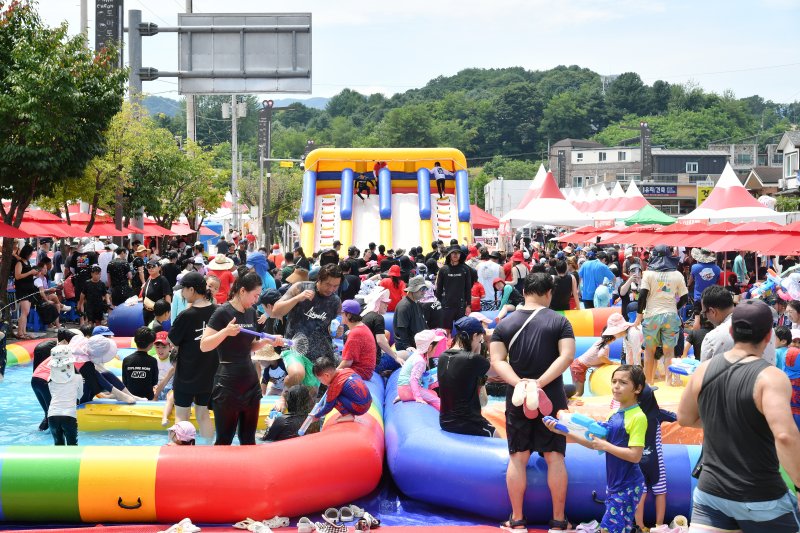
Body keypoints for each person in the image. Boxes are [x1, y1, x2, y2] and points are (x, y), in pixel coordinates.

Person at [677, 299, 800, 532]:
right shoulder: (770, 377)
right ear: (768, 336)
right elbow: (784, 436)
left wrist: (726, 421)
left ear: (732, 331)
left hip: (710, 494)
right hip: (761, 497)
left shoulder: (704, 369)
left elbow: (684, 418)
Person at [490, 272, 576, 532]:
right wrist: (540, 383)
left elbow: (497, 361)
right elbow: (567, 357)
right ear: (549, 292)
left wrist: (520, 384)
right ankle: (559, 521)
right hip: (551, 396)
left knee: (517, 458)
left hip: (518, 399)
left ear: (525, 291)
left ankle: (516, 520)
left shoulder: (504, 324)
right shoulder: (560, 321)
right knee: (555, 457)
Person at [544, 365, 647, 533]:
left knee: (608, 529)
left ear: (637, 388)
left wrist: (605, 445)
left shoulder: (638, 417)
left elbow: (635, 456)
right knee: (620, 529)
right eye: (614, 381)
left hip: (628, 485)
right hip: (615, 483)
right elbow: (594, 444)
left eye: (623, 382)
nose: (616, 386)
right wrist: (563, 431)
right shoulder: (613, 414)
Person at [200, 272, 282, 445]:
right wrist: (225, 332)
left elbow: (249, 346)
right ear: (243, 291)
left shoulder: (251, 313)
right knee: (224, 439)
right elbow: (204, 345)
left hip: (250, 381)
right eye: (255, 295)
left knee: (248, 439)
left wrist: (266, 342)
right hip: (227, 382)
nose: (256, 300)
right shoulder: (222, 312)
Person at [271, 263, 343, 390]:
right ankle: (283, 396)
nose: (331, 289)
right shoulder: (301, 288)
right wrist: (297, 298)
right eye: (328, 284)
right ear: (319, 279)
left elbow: (333, 329)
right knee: (297, 374)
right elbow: (276, 311)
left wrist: (336, 332)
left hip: (319, 353)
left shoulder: (335, 301)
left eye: (335, 286)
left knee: (310, 400)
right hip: (294, 345)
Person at [168, 272, 217, 440]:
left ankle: (181, 453)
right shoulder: (216, 311)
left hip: (187, 371)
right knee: (203, 413)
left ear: (192, 290)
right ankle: (209, 450)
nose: (182, 294)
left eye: (183, 290)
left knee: (182, 414)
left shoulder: (186, 315)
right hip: (209, 372)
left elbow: (172, 340)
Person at [633, 245, 688, 386]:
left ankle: (648, 383)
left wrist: (639, 317)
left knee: (649, 351)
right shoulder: (677, 275)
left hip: (652, 315)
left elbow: (642, 297)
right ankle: (669, 383)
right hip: (670, 315)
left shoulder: (648, 274)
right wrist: (674, 308)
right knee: (669, 352)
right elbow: (685, 298)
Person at [438, 316, 495, 437]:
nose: (480, 343)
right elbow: (499, 371)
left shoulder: (442, 356)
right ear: (474, 336)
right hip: (468, 424)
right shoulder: (472, 359)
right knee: (501, 442)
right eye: (480, 340)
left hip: (445, 422)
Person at [700, 285, 776, 365]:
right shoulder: (768, 328)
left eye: (704, 313)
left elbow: (704, 374)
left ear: (712, 311)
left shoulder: (712, 337)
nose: (706, 317)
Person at [635, 384, 674, 530]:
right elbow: (677, 418)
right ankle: (659, 525)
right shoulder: (658, 414)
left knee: (641, 493)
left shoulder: (632, 414)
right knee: (661, 492)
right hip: (655, 461)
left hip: (637, 461)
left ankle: (640, 525)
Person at [570, 313, 636, 397]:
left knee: (578, 391)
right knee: (579, 393)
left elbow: (595, 358)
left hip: (577, 365)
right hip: (578, 367)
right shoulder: (605, 346)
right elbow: (601, 356)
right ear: (613, 338)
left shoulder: (601, 341)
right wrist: (611, 363)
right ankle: (568, 405)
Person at [312, 357, 373, 423]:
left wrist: (316, 416)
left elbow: (328, 407)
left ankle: (347, 415)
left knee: (333, 398)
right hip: (368, 402)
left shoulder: (335, 385)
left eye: (320, 379)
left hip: (360, 408)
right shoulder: (347, 370)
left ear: (326, 375)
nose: (321, 382)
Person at [396, 330, 446, 411]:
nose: (436, 350)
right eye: (435, 348)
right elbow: (413, 379)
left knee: (434, 393)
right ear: (429, 348)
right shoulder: (420, 361)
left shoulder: (418, 354)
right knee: (437, 400)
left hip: (404, 389)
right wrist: (418, 397)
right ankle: (446, 419)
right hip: (408, 390)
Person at [47, 346, 84, 446]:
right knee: (72, 446)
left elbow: (52, 394)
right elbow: (80, 395)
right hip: (69, 415)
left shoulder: (50, 378)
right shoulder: (78, 377)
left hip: (52, 415)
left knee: (58, 445)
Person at [435, 245, 472, 333]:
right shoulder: (443, 270)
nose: (456, 255)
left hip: (461, 306)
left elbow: (468, 289)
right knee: (446, 331)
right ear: (449, 255)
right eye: (453, 253)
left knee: (461, 331)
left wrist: (468, 305)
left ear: (460, 255)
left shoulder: (465, 269)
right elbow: (438, 289)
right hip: (446, 306)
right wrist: (437, 304)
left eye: (458, 253)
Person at [338, 299, 377, 381]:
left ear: (348, 315)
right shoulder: (362, 327)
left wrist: (334, 373)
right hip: (364, 371)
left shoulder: (356, 333)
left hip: (359, 373)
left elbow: (347, 362)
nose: (340, 315)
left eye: (342, 313)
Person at [122, 327, 160, 401]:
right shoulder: (152, 361)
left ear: (135, 341)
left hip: (131, 398)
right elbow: (154, 381)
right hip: (147, 399)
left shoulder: (126, 360)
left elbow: (125, 382)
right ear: (151, 345)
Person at [393, 276, 429, 351]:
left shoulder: (417, 304)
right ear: (413, 290)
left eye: (425, 289)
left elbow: (423, 324)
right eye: (422, 289)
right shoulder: (404, 306)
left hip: (418, 344)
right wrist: (407, 346)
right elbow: (401, 329)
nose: (424, 292)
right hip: (408, 348)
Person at [689, 248, 721, 329]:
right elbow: (717, 281)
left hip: (698, 297)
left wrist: (688, 285)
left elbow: (690, 281)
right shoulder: (717, 268)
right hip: (711, 296)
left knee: (697, 318)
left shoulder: (695, 267)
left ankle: (695, 337)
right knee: (711, 318)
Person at [13, 244, 38, 339]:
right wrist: (30, 272)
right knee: (25, 311)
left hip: (29, 289)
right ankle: (20, 333)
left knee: (26, 312)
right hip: (22, 290)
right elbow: (17, 276)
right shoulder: (19, 263)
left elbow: (28, 274)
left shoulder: (27, 262)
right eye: (30, 253)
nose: (31, 255)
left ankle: (24, 331)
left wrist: (34, 273)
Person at [152, 331, 176, 426]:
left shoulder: (174, 359)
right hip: (158, 387)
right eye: (157, 347)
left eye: (164, 347)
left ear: (170, 347)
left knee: (170, 396)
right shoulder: (153, 360)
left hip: (170, 388)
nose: (160, 350)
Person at [142, 259, 172, 326]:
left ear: (159, 267)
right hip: (146, 311)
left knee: (155, 330)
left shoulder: (162, 280)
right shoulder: (149, 280)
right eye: (148, 267)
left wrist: (168, 311)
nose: (151, 268)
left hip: (157, 313)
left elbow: (167, 296)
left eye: (153, 266)